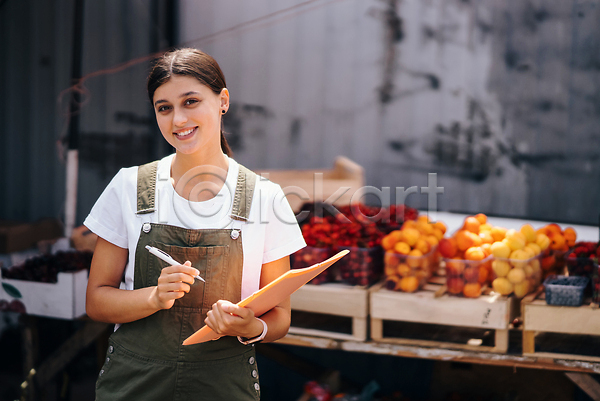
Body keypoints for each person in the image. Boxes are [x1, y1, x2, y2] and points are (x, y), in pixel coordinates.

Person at [84, 48, 306, 400]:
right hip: (134, 383)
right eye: (164, 108)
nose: (178, 120)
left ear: (223, 101)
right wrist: (154, 297)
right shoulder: (128, 187)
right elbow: (96, 301)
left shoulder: (265, 197)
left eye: (190, 101)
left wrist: (252, 326)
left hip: (222, 386)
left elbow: (280, 316)